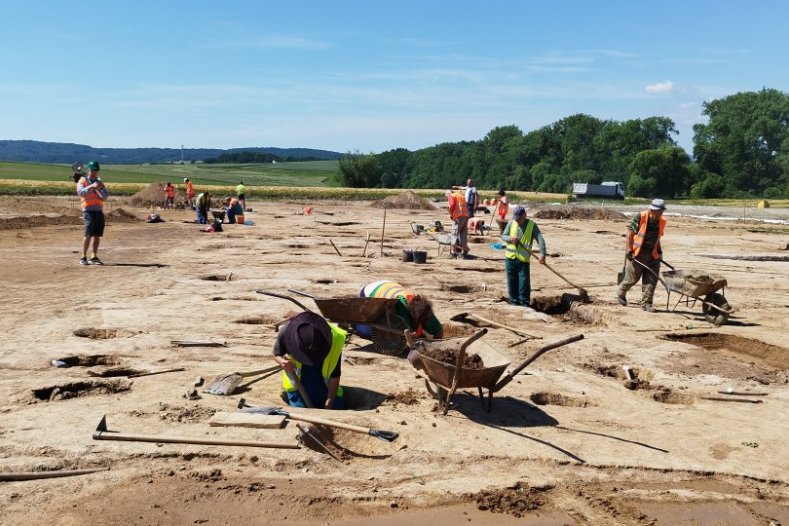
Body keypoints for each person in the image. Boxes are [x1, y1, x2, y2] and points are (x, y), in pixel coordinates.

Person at [272, 311, 347, 409]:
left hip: (324, 386)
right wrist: (282, 362)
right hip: (298, 386)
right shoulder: (286, 332)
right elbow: (275, 353)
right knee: (301, 409)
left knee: (337, 408)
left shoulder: (335, 340)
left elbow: (334, 377)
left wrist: (328, 405)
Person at [616, 198, 667, 312]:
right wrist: (629, 251)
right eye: (659, 211)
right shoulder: (641, 216)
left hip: (652, 255)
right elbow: (630, 234)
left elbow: (657, 239)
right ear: (653, 210)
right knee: (632, 279)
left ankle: (646, 304)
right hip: (637, 254)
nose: (661, 213)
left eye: (662, 211)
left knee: (651, 280)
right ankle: (621, 292)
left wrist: (659, 253)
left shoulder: (662, 221)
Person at [356, 280, 443, 340]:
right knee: (368, 332)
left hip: (390, 284)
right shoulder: (402, 307)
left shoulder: (425, 309)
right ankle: (354, 324)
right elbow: (405, 335)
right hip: (370, 291)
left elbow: (438, 330)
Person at [501, 206, 546, 307]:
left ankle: (524, 303)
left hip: (523, 260)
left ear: (525, 215)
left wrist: (542, 255)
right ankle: (514, 302)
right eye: (516, 219)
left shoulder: (531, 225)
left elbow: (540, 239)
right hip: (510, 258)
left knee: (524, 284)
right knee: (511, 282)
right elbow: (503, 236)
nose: (517, 221)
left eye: (519, 219)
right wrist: (510, 238)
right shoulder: (512, 223)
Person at [76, 161, 109, 266]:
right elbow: (81, 192)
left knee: (97, 234)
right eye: (92, 170)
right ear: (88, 170)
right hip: (88, 210)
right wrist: (91, 187)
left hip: (98, 210)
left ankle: (94, 256)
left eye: (95, 170)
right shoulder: (83, 181)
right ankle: (83, 257)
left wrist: (98, 189)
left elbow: (105, 197)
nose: (94, 172)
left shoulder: (100, 183)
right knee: (88, 234)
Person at [446, 188, 470, 259]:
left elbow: (452, 205)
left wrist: (451, 214)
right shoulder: (460, 195)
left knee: (454, 234)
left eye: (446, 196)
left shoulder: (451, 196)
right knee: (463, 234)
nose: (447, 198)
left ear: (448, 194)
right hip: (465, 216)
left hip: (458, 216)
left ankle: (453, 253)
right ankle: (463, 253)